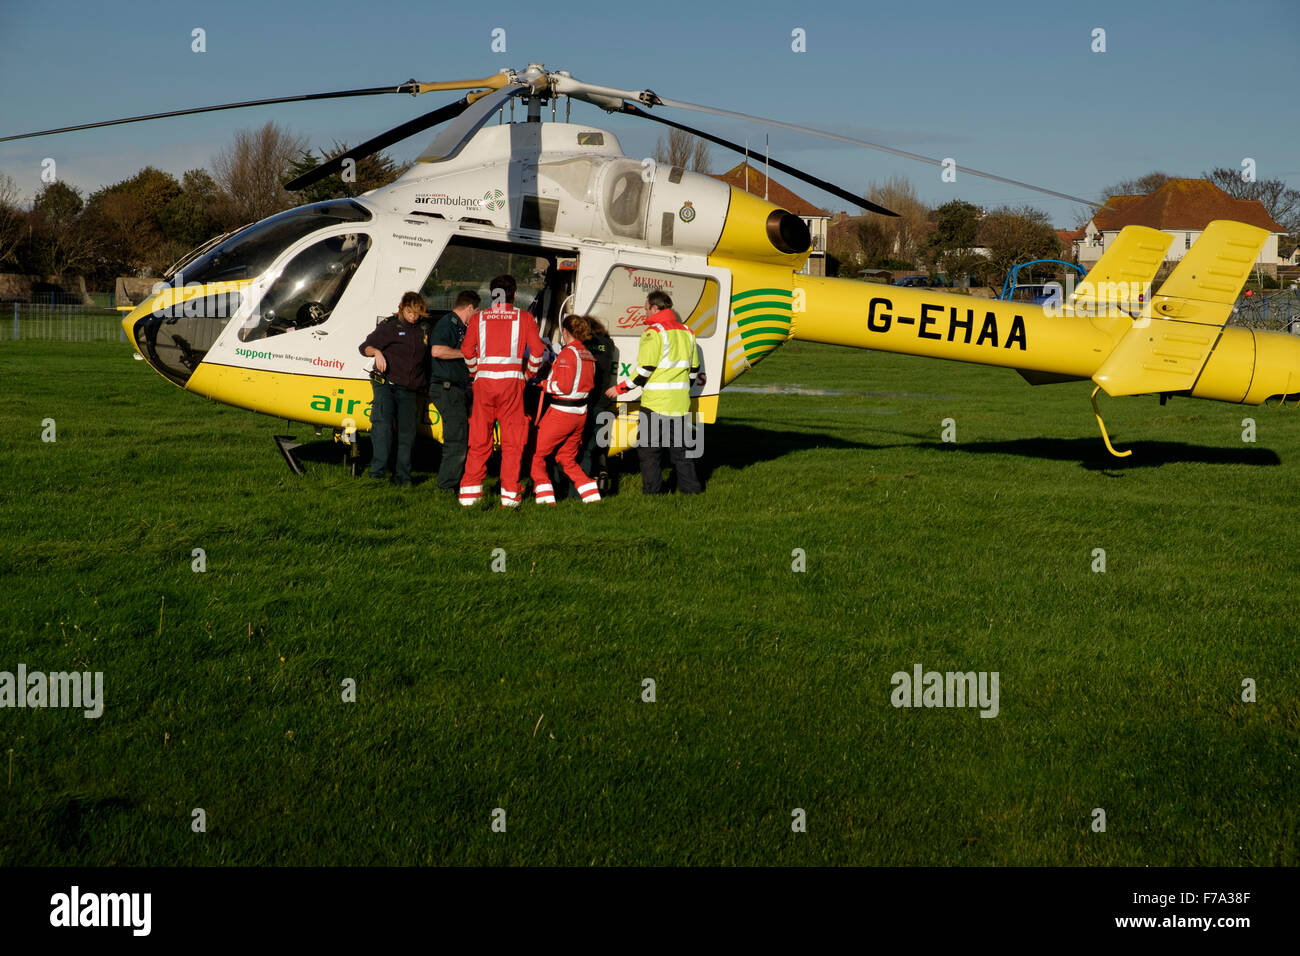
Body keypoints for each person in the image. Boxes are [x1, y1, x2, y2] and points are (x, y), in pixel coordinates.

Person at [458, 274, 545, 508]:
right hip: (512, 385)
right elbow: (538, 351)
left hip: (484, 385)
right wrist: (529, 375)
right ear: (514, 294)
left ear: (492, 294)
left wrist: (475, 372)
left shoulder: (478, 318)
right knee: (512, 442)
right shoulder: (524, 317)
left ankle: (469, 497)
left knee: (479, 439)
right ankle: (510, 498)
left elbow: (467, 350)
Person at [619, 290, 704, 495]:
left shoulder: (653, 332)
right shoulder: (688, 332)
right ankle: (691, 492)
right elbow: (693, 371)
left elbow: (645, 369)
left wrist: (620, 388)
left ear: (655, 308)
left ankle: (652, 493)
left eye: (646, 308)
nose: (645, 312)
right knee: (682, 453)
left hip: (655, 404)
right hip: (680, 404)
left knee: (649, 451)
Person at [358, 291, 431, 487]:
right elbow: (364, 347)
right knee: (383, 428)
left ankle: (403, 477)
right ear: (402, 309)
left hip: (409, 388)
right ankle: (377, 474)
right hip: (386, 384)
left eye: (417, 312)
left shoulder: (424, 329)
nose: (413, 316)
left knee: (408, 433)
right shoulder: (390, 326)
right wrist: (377, 352)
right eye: (409, 312)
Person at [530, 315, 602, 505]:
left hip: (561, 414)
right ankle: (592, 495)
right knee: (566, 458)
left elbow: (563, 386)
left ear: (565, 332)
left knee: (538, 456)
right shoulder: (587, 354)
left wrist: (543, 384)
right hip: (580, 414)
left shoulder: (568, 353)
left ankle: (546, 500)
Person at [428, 289, 479, 492]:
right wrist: (466, 354)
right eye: (476, 310)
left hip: (457, 388)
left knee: (462, 436)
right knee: (456, 439)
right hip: (446, 388)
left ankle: (454, 482)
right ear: (469, 308)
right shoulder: (448, 323)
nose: (476, 315)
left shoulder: (459, 326)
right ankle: (447, 487)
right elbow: (437, 350)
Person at [572, 316, 618, 497]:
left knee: (580, 448)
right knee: (594, 446)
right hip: (602, 402)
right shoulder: (608, 344)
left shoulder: (579, 344)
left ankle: (580, 490)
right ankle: (597, 480)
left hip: (583, 401)